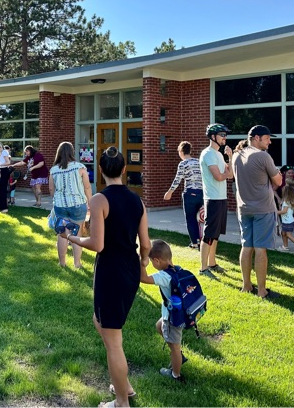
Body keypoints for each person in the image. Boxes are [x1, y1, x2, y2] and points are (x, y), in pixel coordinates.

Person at [60, 146, 150, 408]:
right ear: (124, 169)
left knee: (113, 340)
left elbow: (97, 244)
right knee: (101, 323)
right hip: (130, 269)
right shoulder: (138, 200)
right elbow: (145, 243)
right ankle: (124, 384)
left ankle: (122, 401)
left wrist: (72, 237)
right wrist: (144, 261)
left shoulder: (99, 200)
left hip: (111, 270)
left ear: (100, 170)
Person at [232, 125, 283, 299]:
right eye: (267, 138)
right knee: (260, 249)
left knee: (246, 247)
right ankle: (262, 290)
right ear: (256, 138)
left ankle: (246, 286)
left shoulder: (237, 155)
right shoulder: (263, 156)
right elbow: (278, 180)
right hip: (263, 209)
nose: (270, 142)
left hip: (243, 209)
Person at [140, 239, 187, 383]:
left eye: (152, 262)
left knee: (174, 346)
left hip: (173, 318)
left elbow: (143, 278)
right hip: (179, 313)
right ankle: (179, 356)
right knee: (159, 326)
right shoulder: (177, 269)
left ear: (157, 260)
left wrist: (142, 263)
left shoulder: (164, 276)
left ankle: (176, 375)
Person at [49, 141, 93, 269]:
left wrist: (56, 199)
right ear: (72, 152)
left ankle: (62, 263)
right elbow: (87, 187)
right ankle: (77, 263)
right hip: (78, 205)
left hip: (60, 205)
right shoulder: (80, 167)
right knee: (76, 235)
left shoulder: (54, 170)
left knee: (62, 234)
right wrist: (90, 202)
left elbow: (51, 189)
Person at [198, 124, 234, 280]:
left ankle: (212, 263)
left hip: (221, 198)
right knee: (208, 235)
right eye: (222, 135)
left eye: (225, 135)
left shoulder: (219, 154)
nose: (225, 138)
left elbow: (230, 175)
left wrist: (231, 157)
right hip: (212, 198)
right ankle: (203, 268)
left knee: (216, 234)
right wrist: (225, 173)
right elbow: (218, 176)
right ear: (213, 136)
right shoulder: (208, 154)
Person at [163, 141, 203, 249]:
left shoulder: (183, 164)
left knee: (190, 218)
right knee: (200, 218)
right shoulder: (198, 161)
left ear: (181, 151)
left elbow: (178, 179)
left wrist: (169, 192)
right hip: (201, 193)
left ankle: (194, 243)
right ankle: (202, 242)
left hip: (190, 193)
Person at [0, 140, 12, 213]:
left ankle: (4, 208)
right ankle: (2, 207)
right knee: (2, 189)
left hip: (5, 171)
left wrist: (0, 165)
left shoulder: (4, 152)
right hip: (2, 171)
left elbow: (8, 162)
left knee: (3, 189)